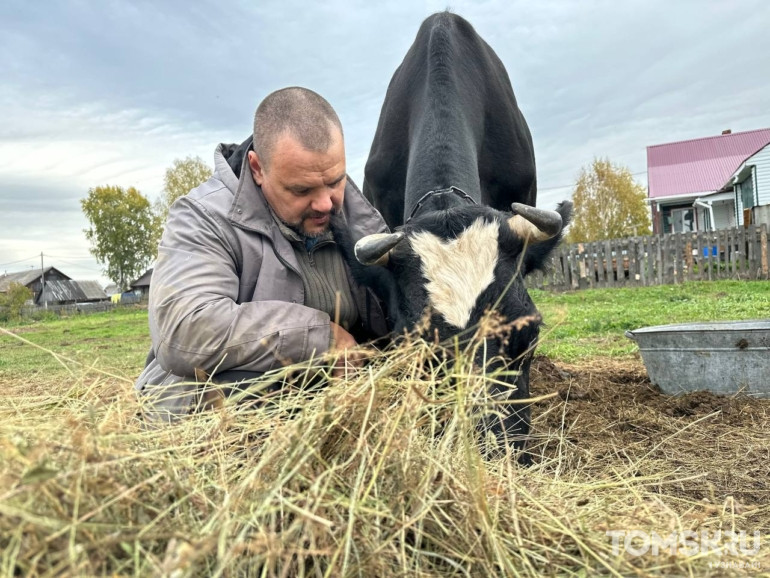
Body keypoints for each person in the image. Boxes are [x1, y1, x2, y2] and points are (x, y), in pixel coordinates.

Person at [135, 87, 390, 421]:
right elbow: (186, 330)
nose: (325, 204)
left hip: (328, 400)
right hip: (217, 414)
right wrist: (323, 338)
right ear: (257, 168)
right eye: (301, 190)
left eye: (335, 181)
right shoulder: (201, 217)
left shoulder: (362, 219)